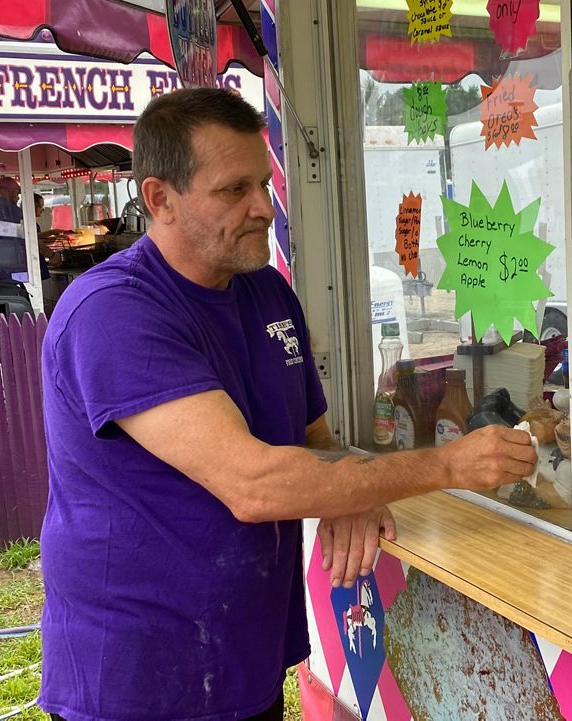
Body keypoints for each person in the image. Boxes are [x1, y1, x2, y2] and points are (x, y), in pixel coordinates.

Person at [38, 87, 537, 721]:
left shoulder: (267, 292)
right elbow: (254, 483)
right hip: (139, 674)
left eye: (264, 185)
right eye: (233, 190)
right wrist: (447, 466)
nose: (262, 209)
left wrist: (347, 492)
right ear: (159, 198)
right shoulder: (112, 312)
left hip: (244, 652)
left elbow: (313, 440)